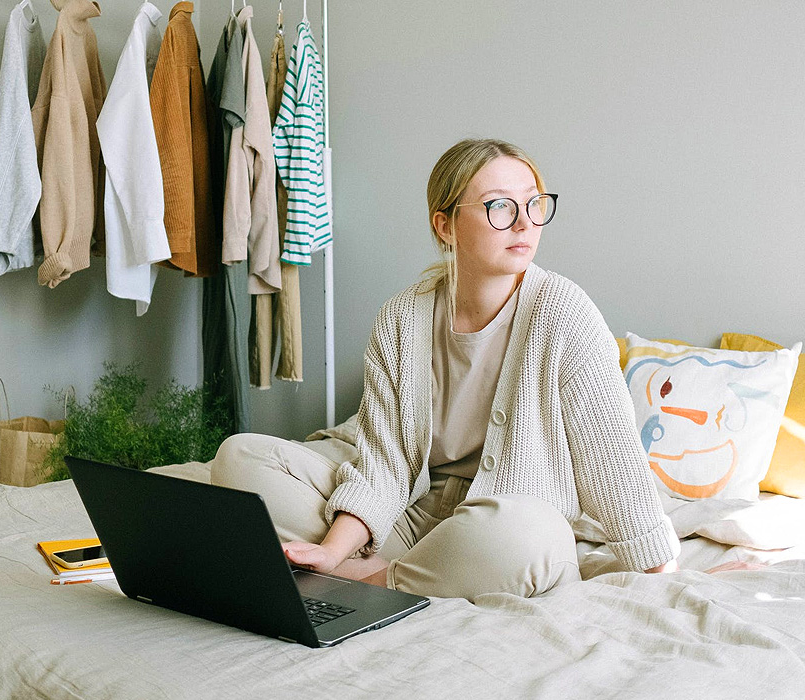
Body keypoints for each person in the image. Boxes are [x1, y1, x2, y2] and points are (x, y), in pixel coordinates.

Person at [212, 138, 680, 602]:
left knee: (530, 534)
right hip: (412, 515)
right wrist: (333, 551)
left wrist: (664, 568)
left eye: (534, 204)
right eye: (500, 206)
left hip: (501, 523)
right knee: (239, 457)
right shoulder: (402, 317)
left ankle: (377, 580)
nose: (523, 223)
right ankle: (392, 568)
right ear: (447, 225)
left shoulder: (564, 312)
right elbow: (385, 461)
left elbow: (612, 460)